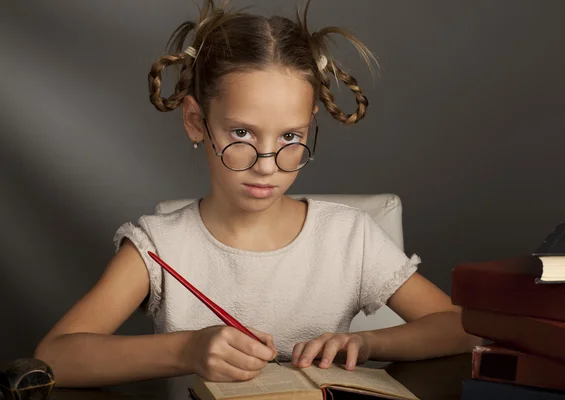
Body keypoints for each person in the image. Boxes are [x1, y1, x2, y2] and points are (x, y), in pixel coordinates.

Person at [34, 0, 481, 388]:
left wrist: (366, 343)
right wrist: (188, 350)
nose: (266, 163)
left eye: (290, 136)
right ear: (195, 121)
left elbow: (463, 328)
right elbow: (54, 357)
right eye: (242, 132)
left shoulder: (348, 236)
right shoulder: (157, 247)